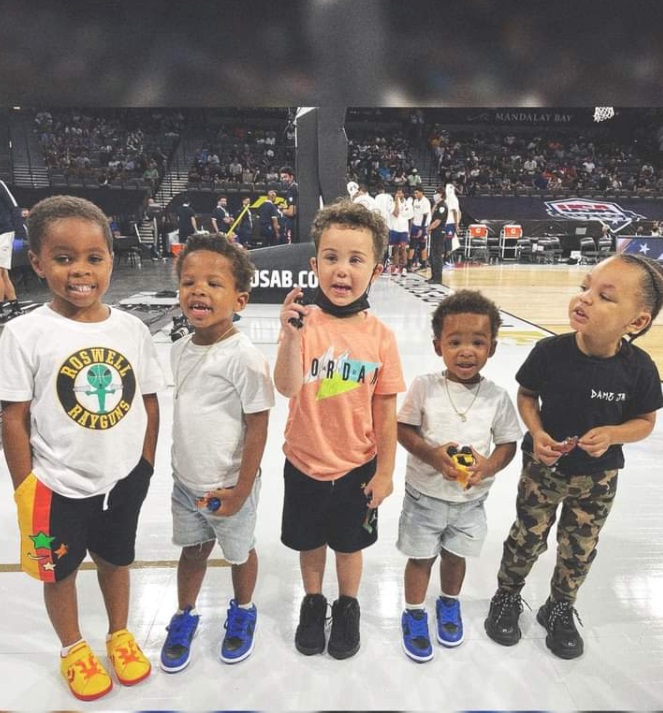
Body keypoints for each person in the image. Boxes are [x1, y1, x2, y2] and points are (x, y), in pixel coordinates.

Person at [0, 195, 165, 701]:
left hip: (122, 480)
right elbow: (13, 417)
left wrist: (143, 466)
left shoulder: (132, 329)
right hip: (55, 487)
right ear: (37, 262)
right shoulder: (23, 333)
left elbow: (150, 402)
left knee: (117, 561)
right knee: (62, 572)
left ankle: (119, 633)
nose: (81, 271)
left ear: (110, 260)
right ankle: (73, 647)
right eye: (64, 257)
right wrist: (26, 486)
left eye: (94, 257)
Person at [484, 253, 663, 660]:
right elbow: (528, 396)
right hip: (543, 469)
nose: (583, 299)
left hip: (597, 478)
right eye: (585, 287)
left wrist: (615, 434)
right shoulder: (550, 352)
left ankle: (560, 606)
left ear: (636, 322)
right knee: (526, 536)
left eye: (604, 297)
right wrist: (537, 431)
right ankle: (508, 596)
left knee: (579, 546)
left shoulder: (639, 370)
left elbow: (645, 421)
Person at [274, 199, 405, 660]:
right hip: (304, 463)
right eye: (331, 258)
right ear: (314, 264)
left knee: (349, 546)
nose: (342, 270)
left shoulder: (381, 337)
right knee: (309, 543)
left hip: (356, 468)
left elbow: (386, 412)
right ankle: (314, 602)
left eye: (356, 259)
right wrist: (290, 338)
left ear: (376, 269)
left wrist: (385, 472)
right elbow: (287, 387)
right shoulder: (303, 324)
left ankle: (347, 606)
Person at [159, 235, 274, 673]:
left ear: (239, 298)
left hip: (230, 486)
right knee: (192, 552)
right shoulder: (178, 349)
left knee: (239, 552)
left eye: (213, 283)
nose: (198, 290)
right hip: (185, 484)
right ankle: (185, 614)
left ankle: (243, 608)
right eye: (189, 282)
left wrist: (242, 488)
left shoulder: (244, 357)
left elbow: (258, 423)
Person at [397, 290, 521, 662]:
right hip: (423, 497)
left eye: (478, 342)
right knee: (420, 559)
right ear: (438, 346)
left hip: (470, 502)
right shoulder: (425, 387)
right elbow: (403, 430)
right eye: (455, 342)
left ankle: (448, 603)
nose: (466, 351)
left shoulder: (497, 398)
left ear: (492, 348)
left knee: (455, 557)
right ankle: (414, 612)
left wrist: (490, 466)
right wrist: (432, 456)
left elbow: (508, 443)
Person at [426, 187, 448, 285]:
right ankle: (433, 276)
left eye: (437, 193)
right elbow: (432, 216)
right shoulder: (438, 205)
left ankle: (438, 278)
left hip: (439, 232)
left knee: (437, 255)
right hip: (435, 232)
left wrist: (429, 228)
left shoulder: (443, 206)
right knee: (433, 255)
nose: (435, 195)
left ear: (441, 194)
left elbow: (437, 221)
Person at [389, 188, 412, 276]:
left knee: (403, 248)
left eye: (400, 193)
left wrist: (409, 230)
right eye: (397, 193)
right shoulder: (393, 203)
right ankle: (395, 267)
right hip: (395, 228)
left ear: (403, 194)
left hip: (404, 229)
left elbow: (411, 218)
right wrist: (396, 202)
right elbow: (395, 213)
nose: (398, 194)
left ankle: (404, 267)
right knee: (396, 249)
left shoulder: (408, 204)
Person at [407, 187, 431, 272]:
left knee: (422, 246)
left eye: (417, 193)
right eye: (414, 193)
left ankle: (424, 264)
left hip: (422, 226)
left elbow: (425, 216)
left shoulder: (426, 202)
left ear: (421, 192)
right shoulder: (415, 201)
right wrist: (410, 228)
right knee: (412, 245)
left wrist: (422, 229)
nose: (415, 194)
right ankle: (409, 264)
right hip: (414, 225)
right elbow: (412, 215)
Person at [443, 183, 461, 268]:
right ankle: (446, 259)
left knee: (449, 241)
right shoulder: (449, 199)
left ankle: (448, 259)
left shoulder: (452, 199)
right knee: (447, 241)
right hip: (447, 223)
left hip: (450, 223)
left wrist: (456, 224)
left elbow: (455, 212)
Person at [279, 165, 298, 243]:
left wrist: (282, 210)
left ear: (291, 177)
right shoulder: (295, 187)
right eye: (282, 177)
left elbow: (292, 212)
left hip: (292, 224)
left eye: (285, 177)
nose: (284, 179)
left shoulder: (292, 189)